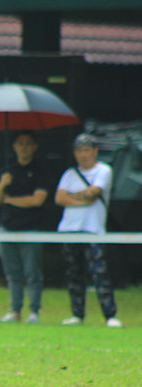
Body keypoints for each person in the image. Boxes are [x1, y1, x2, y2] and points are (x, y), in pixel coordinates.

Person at [55, 133, 121, 328]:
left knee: (99, 274)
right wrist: (81, 197)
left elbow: (94, 194)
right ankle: (77, 315)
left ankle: (110, 316)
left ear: (95, 151)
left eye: (86, 150)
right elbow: (59, 199)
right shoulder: (69, 174)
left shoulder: (104, 171)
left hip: (93, 231)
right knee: (74, 274)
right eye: (79, 151)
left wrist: (71, 197)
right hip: (69, 231)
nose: (83, 155)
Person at [0, 131, 50, 324]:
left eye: (27, 143)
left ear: (34, 147)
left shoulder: (40, 172)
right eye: (20, 143)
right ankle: (15, 311)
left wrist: (11, 200)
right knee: (12, 273)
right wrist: (2, 186)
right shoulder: (5, 172)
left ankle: (34, 312)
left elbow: (37, 200)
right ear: (14, 146)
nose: (23, 147)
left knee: (32, 273)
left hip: (31, 230)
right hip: (6, 230)